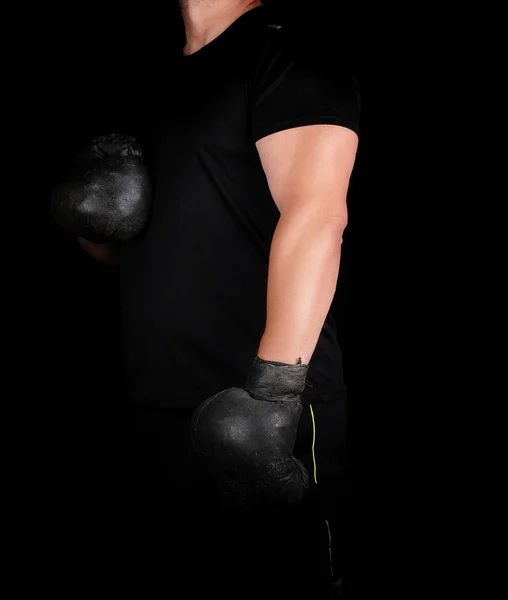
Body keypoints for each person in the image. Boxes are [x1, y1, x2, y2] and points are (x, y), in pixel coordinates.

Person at [62, 0, 360, 596]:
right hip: (158, 404)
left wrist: (271, 395)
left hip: (264, 415)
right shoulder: (150, 81)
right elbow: (137, 249)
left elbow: (317, 215)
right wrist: (94, 223)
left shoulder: (289, 53)